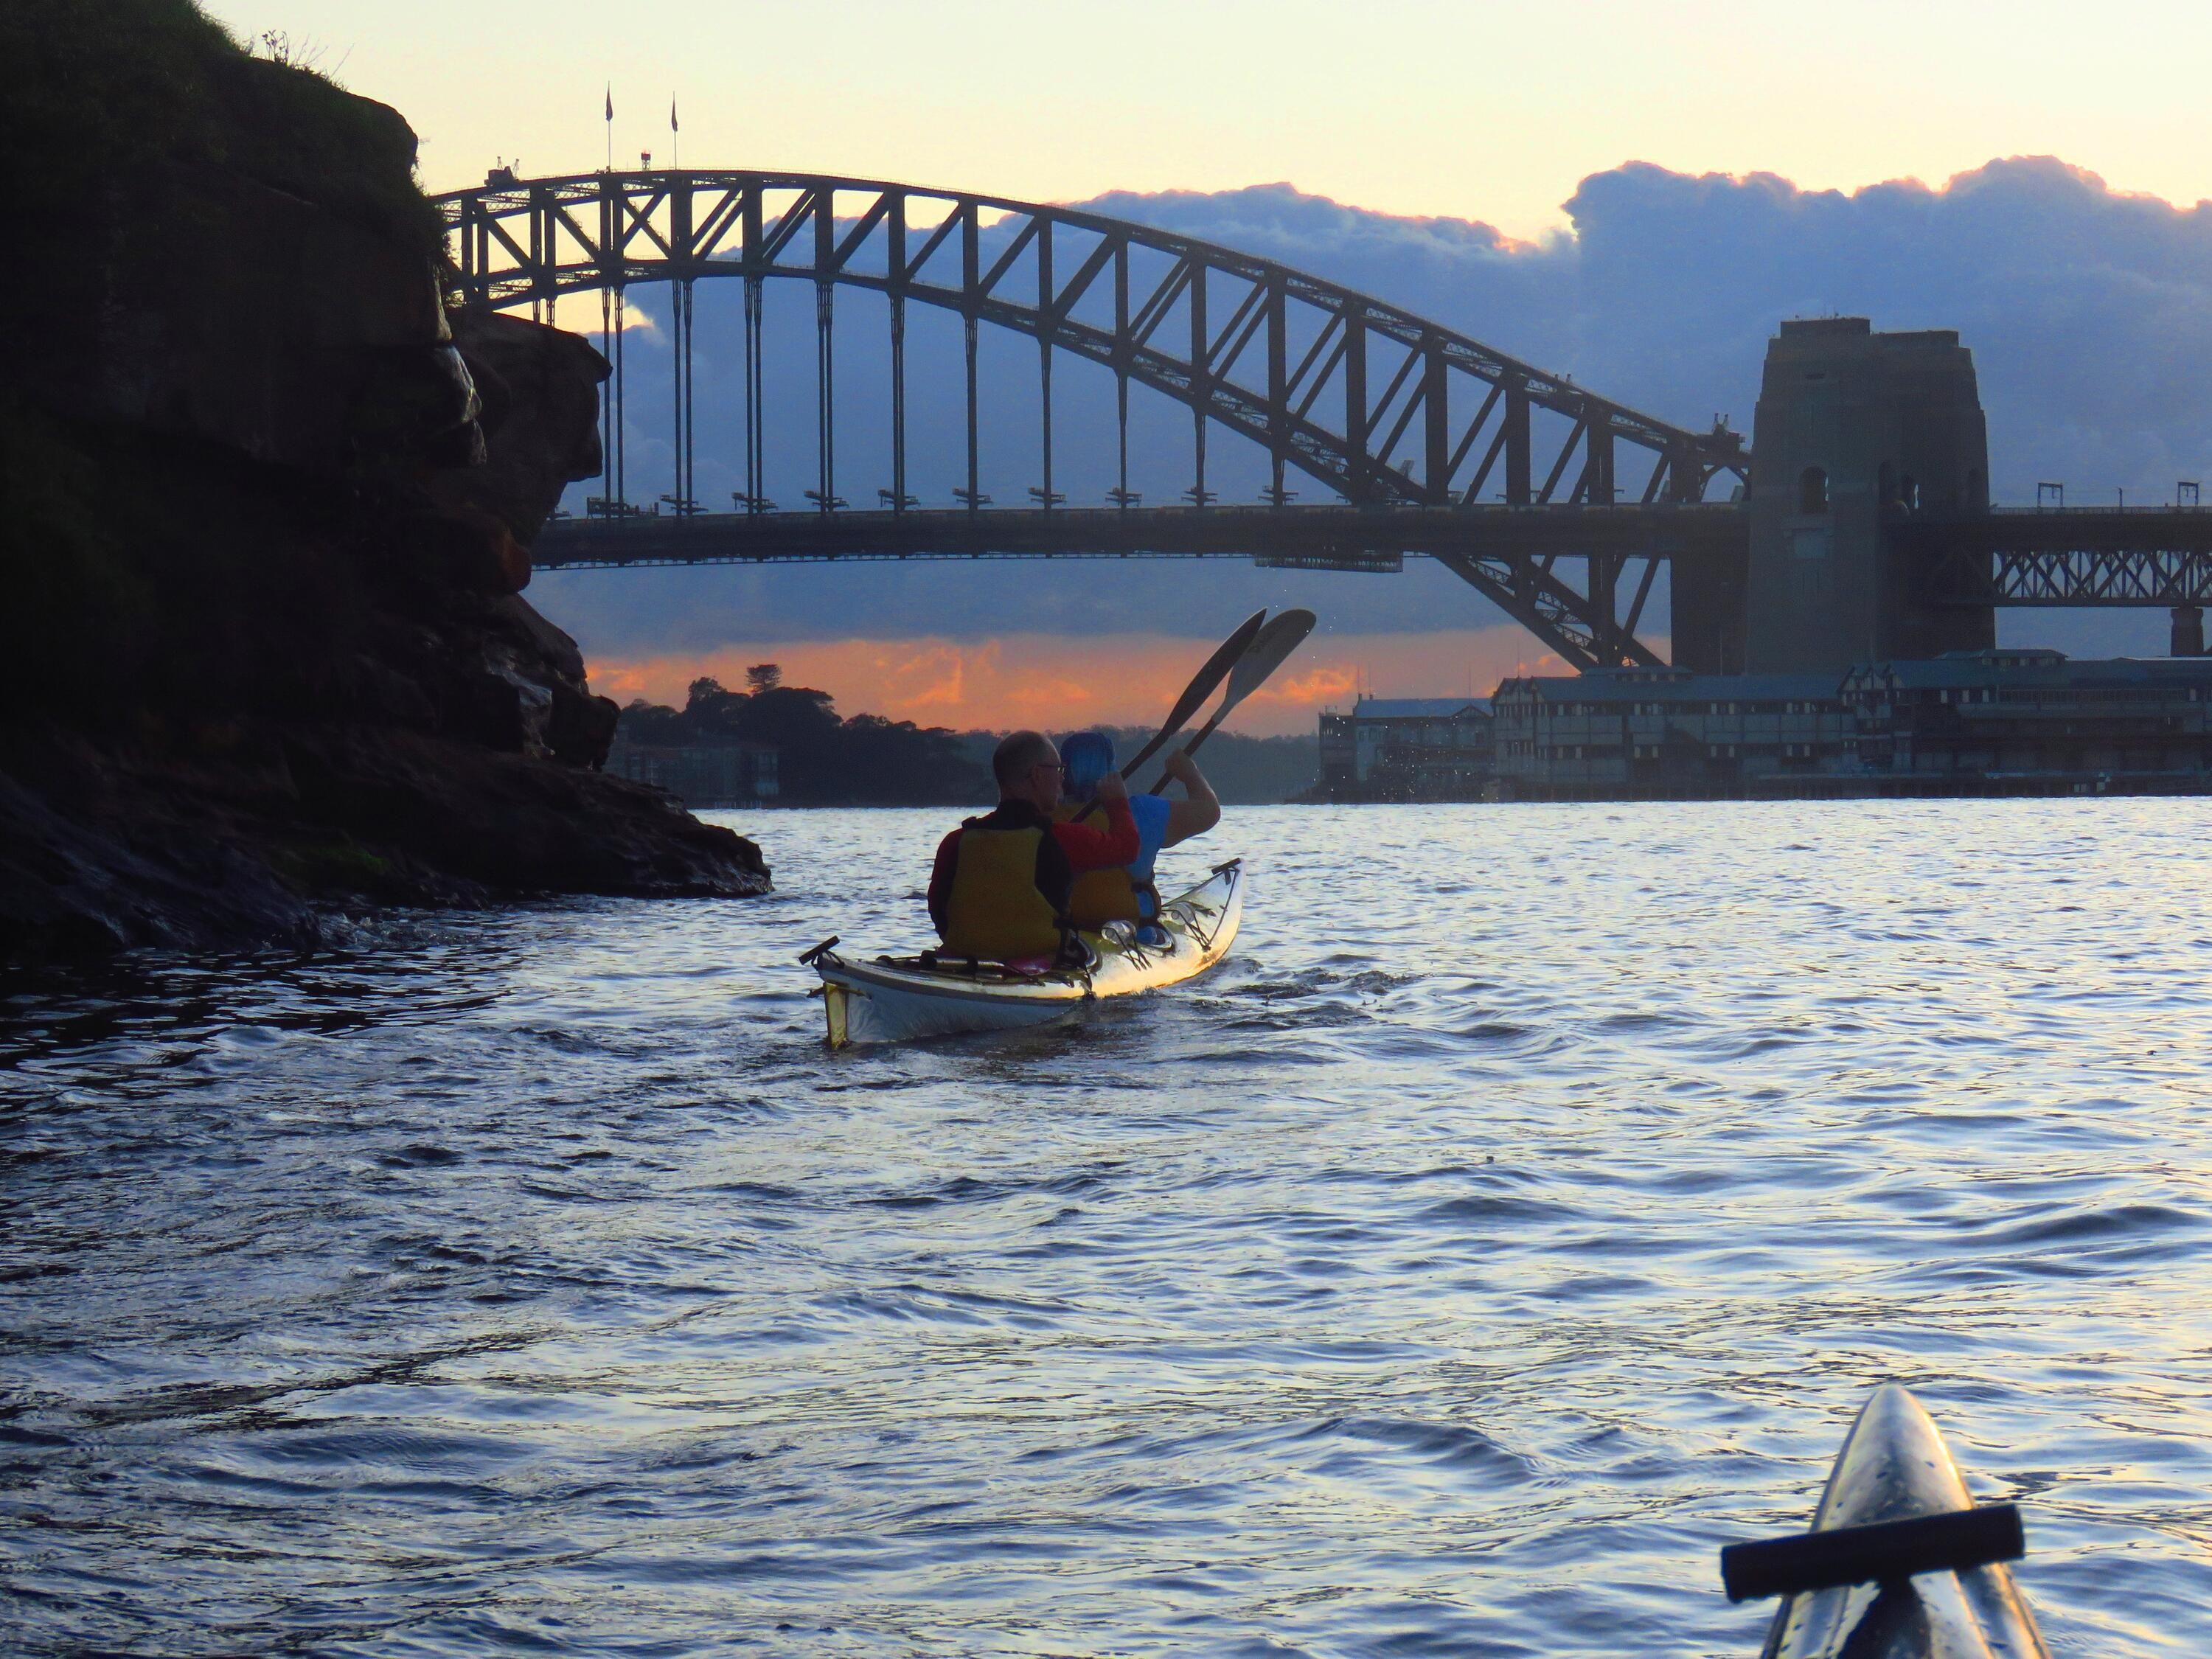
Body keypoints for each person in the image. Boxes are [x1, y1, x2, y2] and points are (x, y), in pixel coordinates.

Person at [928, 731, 1138, 962]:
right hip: (1040, 962)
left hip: (963, 961)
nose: (1062, 780)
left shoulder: (956, 841)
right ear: (1037, 775)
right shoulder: (1065, 838)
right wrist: (1118, 801)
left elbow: (939, 912)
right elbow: (1128, 848)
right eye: (1058, 770)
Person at [1056, 731, 1220, 933]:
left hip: (1068, 933)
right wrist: (1189, 773)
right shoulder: (1144, 811)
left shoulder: (1049, 820)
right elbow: (1209, 811)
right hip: (1133, 934)